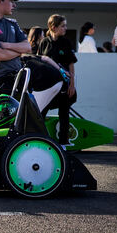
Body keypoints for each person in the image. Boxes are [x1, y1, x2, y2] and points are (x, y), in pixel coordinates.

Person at [37, 14, 78, 147]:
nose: (65, 28)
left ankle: (64, 141)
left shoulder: (66, 42)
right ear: (53, 27)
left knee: (64, 113)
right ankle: (40, 139)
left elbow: (71, 64)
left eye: (65, 25)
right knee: (41, 112)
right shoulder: (44, 42)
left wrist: (72, 84)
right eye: (63, 26)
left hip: (64, 85)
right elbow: (39, 62)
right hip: (47, 86)